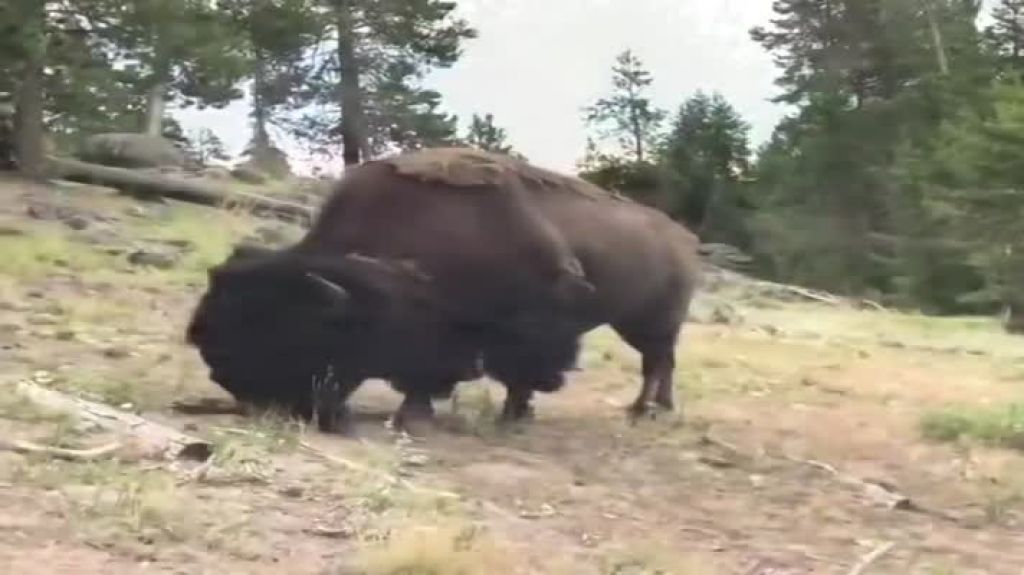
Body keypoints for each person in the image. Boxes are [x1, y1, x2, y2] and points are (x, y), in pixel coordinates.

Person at [0, 92, 15, 170]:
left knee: (9, 142)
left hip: (6, 123)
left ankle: (10, 159)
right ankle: (10, 159)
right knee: (9, 142)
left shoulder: (9, 106)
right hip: (7, 122)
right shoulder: (10, 106)